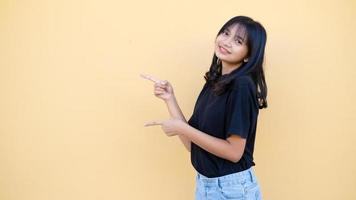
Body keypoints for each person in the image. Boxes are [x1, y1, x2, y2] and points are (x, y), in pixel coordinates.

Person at [141, 15, 268, 200]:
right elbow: (193, 146)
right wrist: (170, 99)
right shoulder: (215, 82)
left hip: (231, 190)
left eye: (238, 41)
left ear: (248, 55)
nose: (227, 42)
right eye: (226, 33)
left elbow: (234, 152)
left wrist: (181, 128)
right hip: (206, 186)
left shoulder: (242, 85)